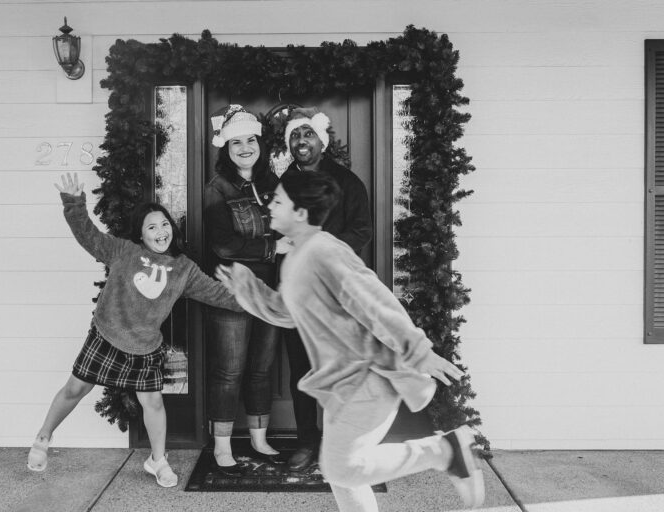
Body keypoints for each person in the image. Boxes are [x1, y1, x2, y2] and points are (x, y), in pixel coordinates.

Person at [216, 171, 485, 511]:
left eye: (279, 201)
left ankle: (442, 451)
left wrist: (418, 351)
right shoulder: (299, 256)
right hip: (342, 381)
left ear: (300, 213)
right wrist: (250, 290)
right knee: (343, 476)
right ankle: (441, 452)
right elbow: (289, 312)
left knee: (341, 467)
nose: (270, 205)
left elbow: (372, 300)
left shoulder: (324, 251)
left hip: (367, 375)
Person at [27, 172, 243, 488]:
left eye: (165, 224)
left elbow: (218, 294)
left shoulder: (183, 269)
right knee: (75, 389)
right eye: (152, 227)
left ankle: (158, 460)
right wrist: (73, 202)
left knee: (153, 403)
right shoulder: (125, 252)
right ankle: (43, 438)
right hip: (107, 336)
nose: (161, 231)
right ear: (141, 235)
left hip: (145, 345)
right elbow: (88, 234)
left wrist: (257, 300)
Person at [280, 106, 373, 471]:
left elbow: (361, 230)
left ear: (322, 140)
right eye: (294, 136)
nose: (301, 142)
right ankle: (306, 442)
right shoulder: (282, 184)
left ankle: (341, 444)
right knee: (302, 370)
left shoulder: (348, 183)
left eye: (307, 134)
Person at [203, 105, 291, 474]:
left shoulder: (274, 183)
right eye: (236, 141)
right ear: (225, 148)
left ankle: (258, 438)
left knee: (261, 369)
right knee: (229, 370)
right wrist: (273, 248)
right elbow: (222, 245)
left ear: (259, 143)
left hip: (271, 290)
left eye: (250, 140)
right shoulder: (217, 188)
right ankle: (222, 445)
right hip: (235, 291)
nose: (244, 147)